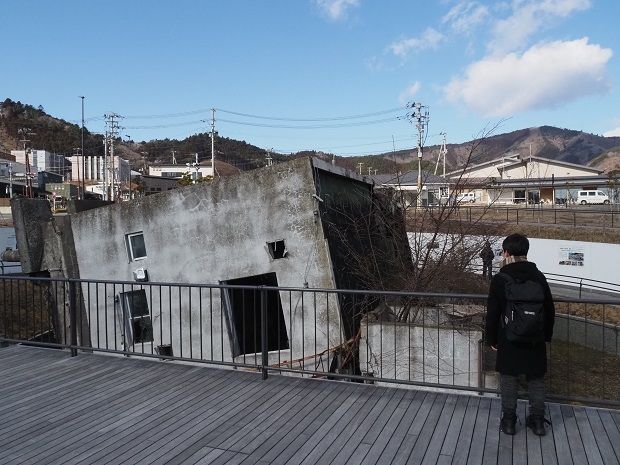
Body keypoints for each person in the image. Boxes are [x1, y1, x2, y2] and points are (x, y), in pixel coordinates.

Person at [485, 233, 555, 436]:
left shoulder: (500, 278)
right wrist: (546, 336)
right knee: (536, 379)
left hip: (509, 337)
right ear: (526, 252)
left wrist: (491, 339)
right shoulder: (538, 276)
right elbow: (549, 309)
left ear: (506, 252)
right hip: (535, 337)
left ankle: (508, 422)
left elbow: (493, 313)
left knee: (509, 378)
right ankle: (538, 422)